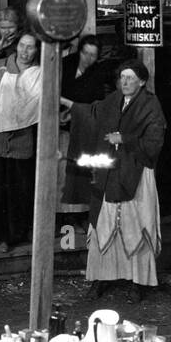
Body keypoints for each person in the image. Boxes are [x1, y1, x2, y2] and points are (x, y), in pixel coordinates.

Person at [64, 60, 166, 301]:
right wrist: (66, 103)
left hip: (137, 173)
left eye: (131, 78)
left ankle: (138, 282)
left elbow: (154, 141)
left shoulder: (151, 105)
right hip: (110, 173)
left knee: (136, 225)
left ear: (142, 81)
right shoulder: (113, 100)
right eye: (122, 78)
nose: (126, 82)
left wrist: (124, 138)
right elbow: (92, 112)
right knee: (104, 223)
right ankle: (102, 277)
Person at [0, 32, 42, 250]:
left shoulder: (38, 73)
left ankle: (15, 235)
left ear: (36, 50)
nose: (26, 52)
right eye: (23, 46)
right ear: (16, 46)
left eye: (31, 47)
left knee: (20, 190)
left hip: (22, 140)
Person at [59, 35, 113, 214]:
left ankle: (78, 213)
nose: (88, 58)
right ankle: (62, 214)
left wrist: (72, 108)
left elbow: (94, 101)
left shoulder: (98, 72)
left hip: (81, 124)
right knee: (60, 170)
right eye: (85, 53)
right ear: (79, 51)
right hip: (59, 122)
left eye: (93, 55)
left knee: (79, 169)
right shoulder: (65, 63)